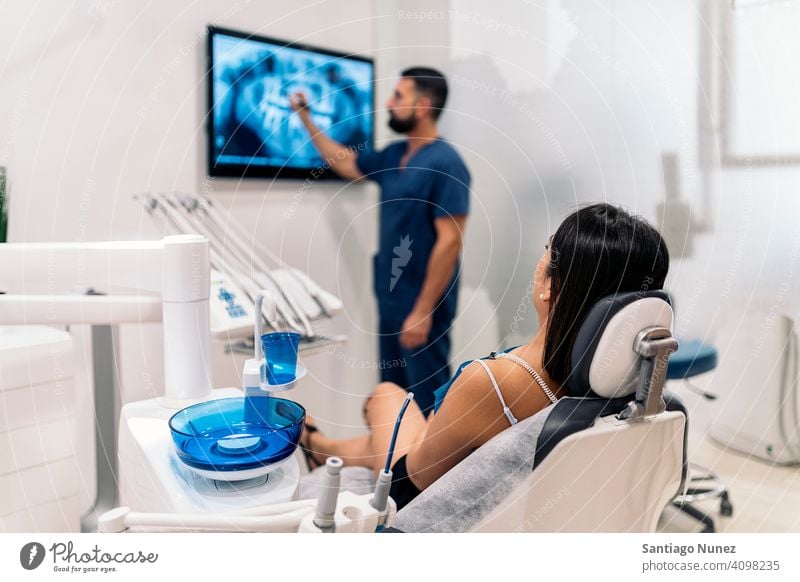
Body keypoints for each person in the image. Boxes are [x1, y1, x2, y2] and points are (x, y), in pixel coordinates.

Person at [300, 203, 670, 509]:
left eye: (547, 251)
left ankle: (320, 447)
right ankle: (324, 448)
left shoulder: (496, 382)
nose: (540, 260)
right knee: (389, 402)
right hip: (466, 448)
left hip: (412, 491)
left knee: (384, 396)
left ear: (550, 286)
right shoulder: (634, 385)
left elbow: (412, 482)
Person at [291, 67, 470, 415]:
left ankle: (431, 470)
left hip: (422, 308)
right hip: (390, 302)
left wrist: (421, 313)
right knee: (392, 397)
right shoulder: (394, 155)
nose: (388, 103)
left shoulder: (448, 164)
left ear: (422, 106)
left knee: (428, 402)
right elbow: (345, 163)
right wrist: (306, 120)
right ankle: (397, 468)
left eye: (398, 96)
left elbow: (450, 242)